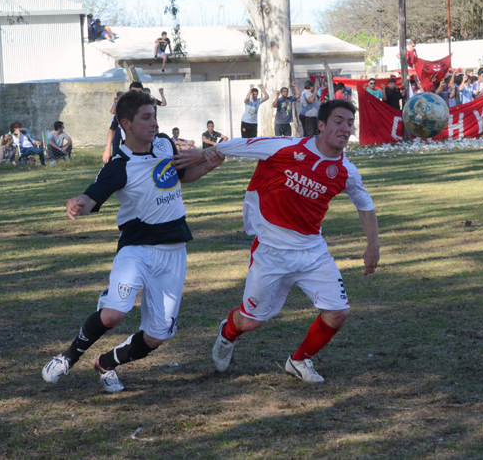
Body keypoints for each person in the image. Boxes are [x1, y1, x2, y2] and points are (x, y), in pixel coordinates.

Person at [173, 99, 380, 383]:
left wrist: (373, 245)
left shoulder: (346, 171)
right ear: (320, 125)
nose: (345, 128)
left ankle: (299, 361)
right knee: (250, 321)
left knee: (338, 312)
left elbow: (364, 203)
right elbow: (239, 146)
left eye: (349, 123)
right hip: (271, 251)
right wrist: (201, 155)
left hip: (312, 252)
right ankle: (227, 333)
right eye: (338, 121)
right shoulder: (286, 147)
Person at [41, 90, 225, 393]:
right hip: (137, 249)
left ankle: (107, 363)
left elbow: (181, 176)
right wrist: (78, 203)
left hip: (174, 250)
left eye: (154, 116)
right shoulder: (119, 165)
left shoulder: (165, 143)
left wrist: (210, 164)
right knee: (115, 313)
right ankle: (68, 357)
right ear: (126, 123)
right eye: (146, 117)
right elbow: (94, 195)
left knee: (157, 336)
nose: (154, 123)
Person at [104, 83, 146, 163]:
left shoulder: (148, 109)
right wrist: (107, 150)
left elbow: (154, 127)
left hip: (144, 146)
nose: (136, 96)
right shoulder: (123, 109)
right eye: (133, 93)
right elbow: (112, 129)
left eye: (139, 93)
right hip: (128, 144)